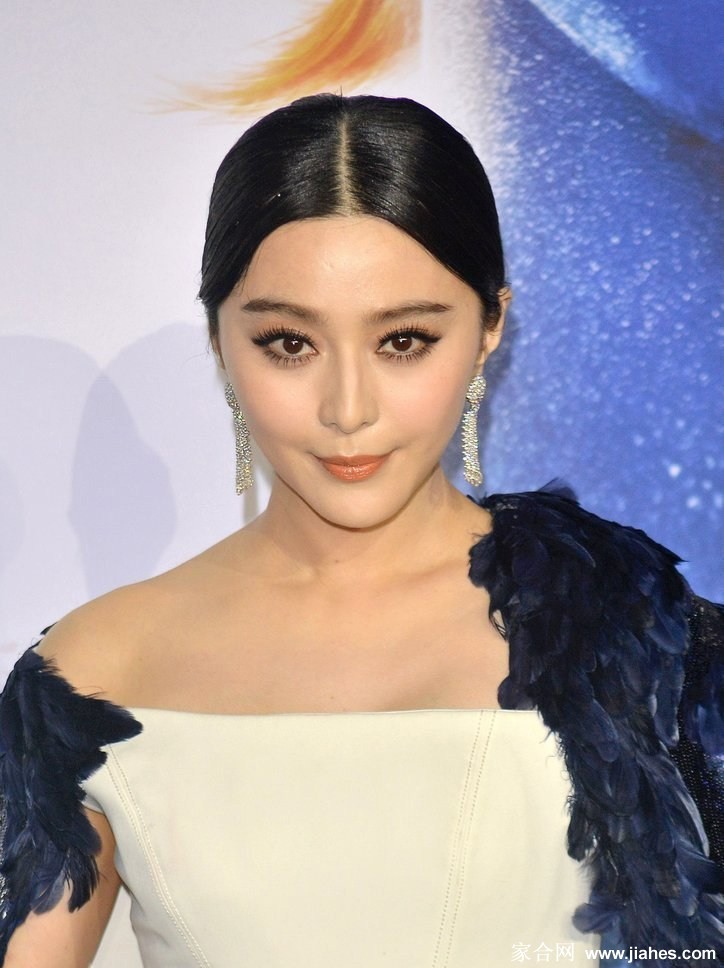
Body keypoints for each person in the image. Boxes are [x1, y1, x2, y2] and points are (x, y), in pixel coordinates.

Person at [0, 94, 721, 968]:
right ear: (220, 341)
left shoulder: (644, 642)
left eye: (404, 340)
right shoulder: (91, 674)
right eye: (289, 343)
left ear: (490, 327)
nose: (348, 409)